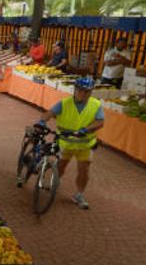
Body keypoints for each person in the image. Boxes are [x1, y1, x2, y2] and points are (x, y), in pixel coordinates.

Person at [38, 76, 105, 210]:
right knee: (61, 167)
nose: (83, 94)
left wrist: (86, 129)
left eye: (87, 92)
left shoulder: (96, 104)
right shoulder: (64, 103)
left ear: (91, 92)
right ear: (75, 90)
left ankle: (79, 195)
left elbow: (100, 122)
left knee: (84, 170)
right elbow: (49, 113)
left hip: (85, 145)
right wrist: (42, 122)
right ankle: (55, 182)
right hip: (65, 144)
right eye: (81, 90)